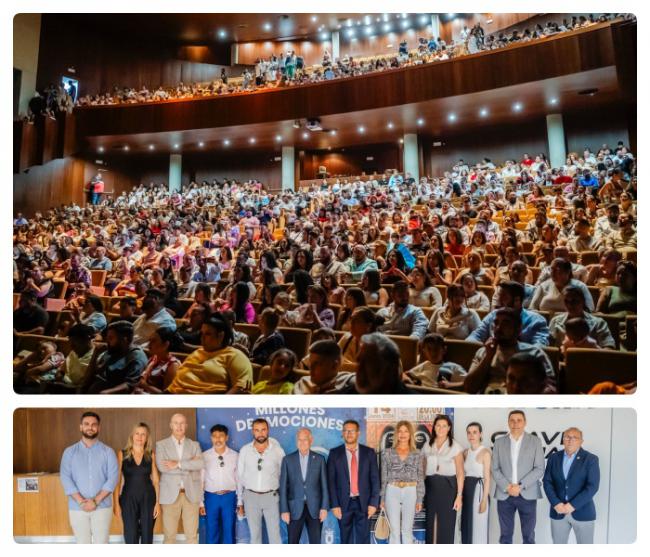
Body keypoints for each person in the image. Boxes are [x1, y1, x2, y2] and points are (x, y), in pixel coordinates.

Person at [59, 412, 119, 544]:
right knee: (82, 543)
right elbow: (65, 478)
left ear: (99, 428)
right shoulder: (69, 452)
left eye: (94, 425)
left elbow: (113, 479)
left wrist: (96, 501)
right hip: (77, 507)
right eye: (86, 424)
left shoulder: (108, 452)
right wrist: (81, 501)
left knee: (102, 542)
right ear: (81, 427)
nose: (90, 427)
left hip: (102, 507)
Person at [464, 308, 554, 394]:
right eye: (496, 323)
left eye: (505, 324)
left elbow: (550, 389)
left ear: (518, 329)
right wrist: (488, 357)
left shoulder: (534, 353)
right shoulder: (483, 352)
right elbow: (469, 387)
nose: (498, 328)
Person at [492, 410, 544, 544]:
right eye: (512, 420)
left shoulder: (535, 441)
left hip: (527, 494)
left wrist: (519, 486)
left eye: (519, 420)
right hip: (505, 495)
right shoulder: (499, 443)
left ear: (525, 422)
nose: (515, 423)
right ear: (508, 422)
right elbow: (495, 468)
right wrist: (508, 486)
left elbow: (539, 469)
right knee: (505, 536)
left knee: (528, 537)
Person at [167, 313, 252, 394]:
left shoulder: (235, 356)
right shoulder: (197, 352)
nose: (202, 338)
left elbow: (242, 388)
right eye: (202, 333)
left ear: (221, 336)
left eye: (208, 334)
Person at [543, 427, 600, 544]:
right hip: (558, 512)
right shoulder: (553, 458)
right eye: (567, 437)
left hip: (583, 512)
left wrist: (572, 505)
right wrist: (556, 503)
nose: (570, 440)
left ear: (581, 441)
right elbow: (547, 482)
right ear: (563, 440)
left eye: (575, 438)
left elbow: (592, 486)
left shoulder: (590, 459)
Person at [327, 420, 380, 544]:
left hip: (365, 503)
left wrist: (373, 503)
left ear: (358, 433)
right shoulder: (334, 453)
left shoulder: (369, 453)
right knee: (346, 540)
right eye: (345, 430)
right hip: (343, 504)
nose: (348, 433)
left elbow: (375, 480)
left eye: (352, 431)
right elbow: (331, 482)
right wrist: (334, 505)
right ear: (342, 433)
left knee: (364, 540)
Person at [155, 413, 203, 544]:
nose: (179, 426)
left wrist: (177, 464)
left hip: (191, 495)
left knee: (192, 536)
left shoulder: (195, 445)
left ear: (186, 426)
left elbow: (200, 464)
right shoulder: (161, 445)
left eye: (182, 423)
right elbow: (162, 467)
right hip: (169, 495)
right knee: (169, 536)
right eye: (176, 423)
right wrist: (189, 464)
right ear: (171, 425)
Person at [237, 418, 286, 544]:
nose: (260, 433)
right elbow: (239, 477)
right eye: (257, 430)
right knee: (255, 536)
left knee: (275, 536)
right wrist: (240, 501)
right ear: (253, 432)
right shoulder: (245, 450)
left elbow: (284, 476)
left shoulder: (278, 451)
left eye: (263, 430)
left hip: (271, 497)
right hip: (250, 497)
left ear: (268, 430)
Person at [280, 428, 329, 544]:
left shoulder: (320, 459)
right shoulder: (287, 460)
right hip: (294, 509)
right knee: (292, 542)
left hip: (315, 509)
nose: (302, 442)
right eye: (299, 440)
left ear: (311, 440)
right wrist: (284, 510)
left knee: (316, 543)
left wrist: (324, 508)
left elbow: (324, 486)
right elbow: (283, 488)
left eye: (305, 439)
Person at [114, 422, 160, 544]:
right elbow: (117, 481)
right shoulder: (122, 454)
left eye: (143, 434)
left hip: (148, 499)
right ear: (132, 435)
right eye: (137, 433)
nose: (140, 437)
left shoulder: (151, 454)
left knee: (147, 536)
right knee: (130, 536)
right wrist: (116, 504)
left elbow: (156, 480)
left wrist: (157, 503)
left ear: (147, 437)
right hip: (128, 499)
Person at [379, 421, 425, 544]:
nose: (403, 434)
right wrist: (382, 498)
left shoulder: (417, 454)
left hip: (411, 491)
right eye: (400, 431)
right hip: (392, 490)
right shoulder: (387, 453)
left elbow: (420, 477)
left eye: (406, 431)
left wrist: (420, 499)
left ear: (410, 434)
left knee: (407, 530)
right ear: (396, 434)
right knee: (394, 530)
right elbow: (384, 477)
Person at [421, 415, 464, 544]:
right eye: (438, 425)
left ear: (449, 428)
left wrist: (459, 496)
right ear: (434, 427)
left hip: (448, 490)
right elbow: (422, 470)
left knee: (446, 524)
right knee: (431, 523)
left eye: (444, 426)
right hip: (431, 488)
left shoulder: (455, 446)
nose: (441, 428)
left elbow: (460, 472)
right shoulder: (427, 445)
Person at [467, 281, 550, 346]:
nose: (499, 301)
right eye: (499, 296)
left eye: (504, 297)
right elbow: (475, 336)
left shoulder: (536, 321)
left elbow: (539, 347)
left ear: (517, 301)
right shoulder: (493, 315)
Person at [201, 424, 239, 544]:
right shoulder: (204, 456)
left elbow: (239, 479)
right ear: (211, 438)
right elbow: (200, 479)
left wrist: (240, 501)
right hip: (211, 497)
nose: (218, 439)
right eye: (214, 436)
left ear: (226, 437)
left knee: (229, 530)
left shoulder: (235, 456)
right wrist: (200, 502)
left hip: (230, 497)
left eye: (221, 436)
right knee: (211, 531)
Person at [87, 320, 148, 394]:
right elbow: (96, 372)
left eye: (111, 338)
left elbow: (130, 384)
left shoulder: (137, 357)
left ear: (124, 340)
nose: (107, 341)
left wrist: (106, 393)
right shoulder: (114, 350)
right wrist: (95, 353)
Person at [461, 422, 491, 544]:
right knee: (467, 524)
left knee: (479, 525)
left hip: (479, 492)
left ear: (480, 434)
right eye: (469, 432)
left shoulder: (485, 453)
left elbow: (488, 478)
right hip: (467, 491)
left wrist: (484, 500)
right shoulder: (465, 453)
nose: (471, 435)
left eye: (474, 432)